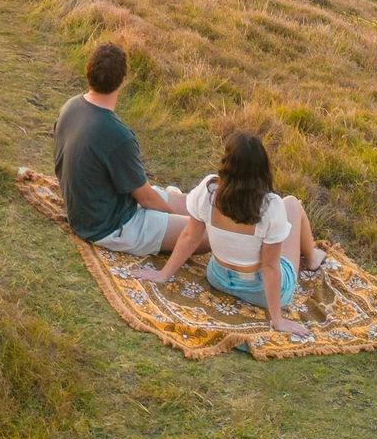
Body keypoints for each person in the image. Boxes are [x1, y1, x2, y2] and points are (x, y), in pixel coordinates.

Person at [129, 130, 325, 340]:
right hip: (259, 292)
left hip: (218, 278)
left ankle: (311, 254)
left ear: (226, 163)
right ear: (262, 168)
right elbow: (270, 267)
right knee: (292, 204)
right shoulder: (271, 205)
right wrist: (277, 319)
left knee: (283, 215)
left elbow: (190, 237)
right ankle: (312, 257)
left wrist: (163, 274)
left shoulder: (209, 190)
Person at [53, 42, 187, 258]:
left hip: (91, 206)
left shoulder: (70, 106)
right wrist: (172, 217)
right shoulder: (117, 135)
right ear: (123, 81)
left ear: (88, 71)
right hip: (108, 226)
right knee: (204, 233)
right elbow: (147, 200)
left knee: (196, 205)